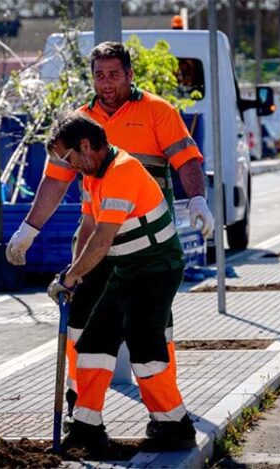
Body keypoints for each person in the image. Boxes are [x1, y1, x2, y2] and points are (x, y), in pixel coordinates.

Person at [6, 41, 214, 423]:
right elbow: (55, 181)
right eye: (99, 75)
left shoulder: (157, 112)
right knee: (83, 320)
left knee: (151, 330)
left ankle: (167, 412)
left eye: (114, 74)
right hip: (96, 237)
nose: (106, 83)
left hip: (144, 243)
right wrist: (29, 228)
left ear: (130, 74)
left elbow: (187, 160)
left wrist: (197, 199)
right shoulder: (80, 123)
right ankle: (81, 401)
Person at [45, 112, 197, 452]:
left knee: (145, 345)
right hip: (128, 268)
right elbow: (87, 226)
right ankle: (86, 426)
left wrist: (70, 278)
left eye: (67, 157)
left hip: (157, 268)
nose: (68, 166)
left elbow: (102, 239)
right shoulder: (93, 175)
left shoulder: (122, 172)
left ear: (85, 146)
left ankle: (175, 426)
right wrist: (73, 274)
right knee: (94, 342)